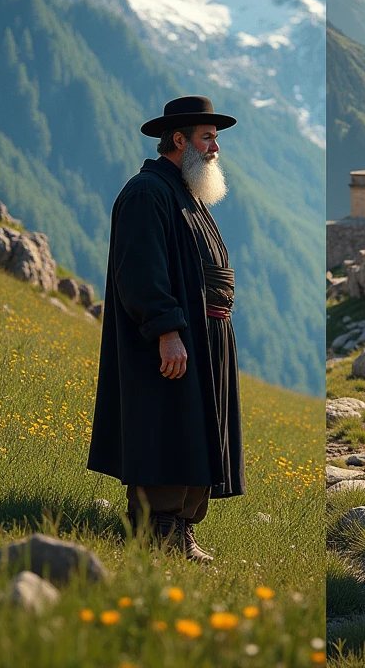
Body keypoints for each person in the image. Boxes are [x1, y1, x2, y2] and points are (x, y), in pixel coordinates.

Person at [87, 95, 246, 561]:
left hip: (205, 333)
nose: (215, 147)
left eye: (215, 138)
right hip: (174, 337)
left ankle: (182, 528)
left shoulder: (184, 191)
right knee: (167, 426)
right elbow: (139, 273)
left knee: (194, 429)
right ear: (179, 140)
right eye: (207, 137)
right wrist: (166, 331)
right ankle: (159, 528)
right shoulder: (146, 193)